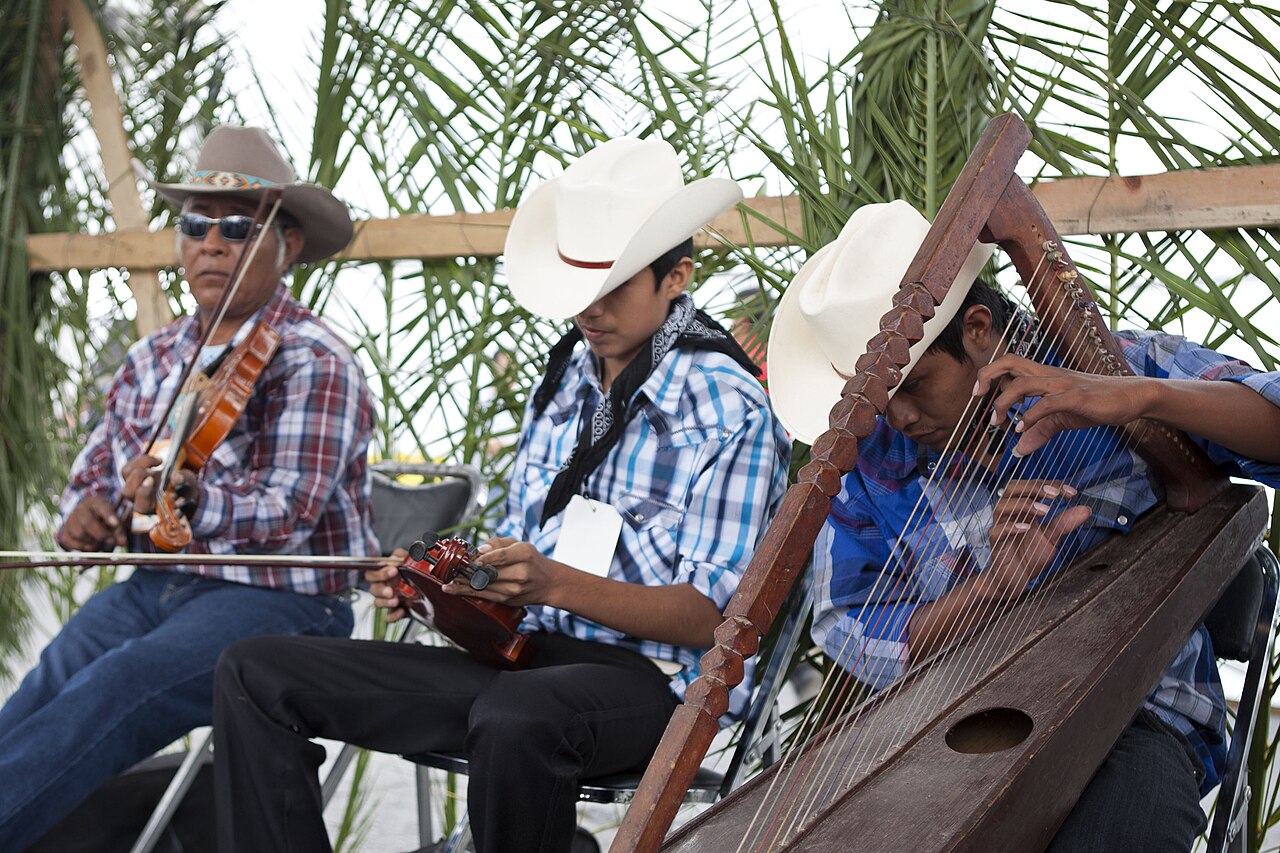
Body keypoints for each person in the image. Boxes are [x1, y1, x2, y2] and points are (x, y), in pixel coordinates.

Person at [212, 137, 790, 853]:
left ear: (677, 276)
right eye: (579, 282)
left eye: (613, 285)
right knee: (255, 669)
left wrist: (552, 582)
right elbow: (514, 572)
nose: (589, 308)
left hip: (661, 690)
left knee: (518, 716)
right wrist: (444, 584)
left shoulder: (728, 406)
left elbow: (712, 616)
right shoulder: (564, 385)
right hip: (523, 661)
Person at [767, 200, 1280, 852]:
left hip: (1139, 717)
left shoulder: (1111, 365)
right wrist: (988, 591)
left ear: (978, 327)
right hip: (951, 732)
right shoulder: (874, 463)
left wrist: (1144, 397)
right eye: (875, 400)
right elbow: (851, 627)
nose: (897, 419)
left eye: (915, 385)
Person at [0, 125, 377, 849]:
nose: (210, 243)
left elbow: (288, 511)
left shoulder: (315, 358)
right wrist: (87, 509)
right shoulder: (155, 353)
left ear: (287, 245)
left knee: (115, 687)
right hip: (159, 584)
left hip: (279, 599)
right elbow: (96, 467)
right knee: (49, 684)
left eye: (236, 228)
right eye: (195, 225)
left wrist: (197, 501)